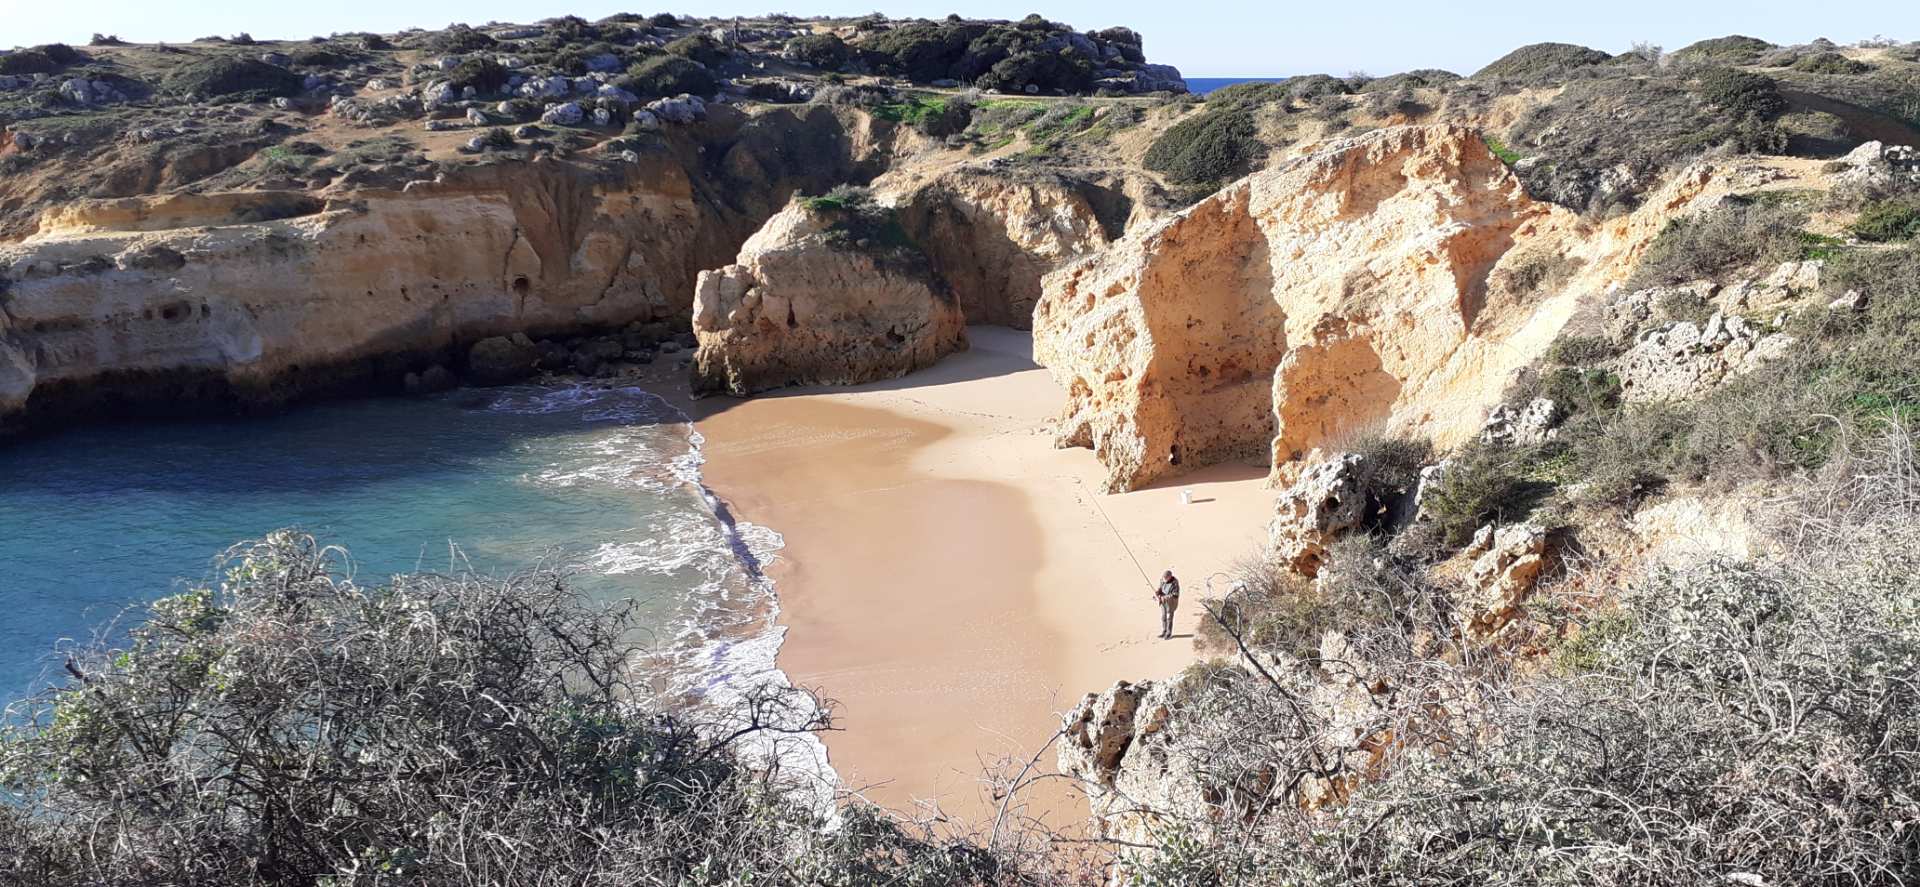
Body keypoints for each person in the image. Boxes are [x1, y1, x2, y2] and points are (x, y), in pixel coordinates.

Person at [1153, 569, 1180, 640]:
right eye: (1164, 578)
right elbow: (1160, 588)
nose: (1164, 579)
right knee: (1163, 617)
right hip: (1163, 602)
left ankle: (1169, 633)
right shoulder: (1162, 580)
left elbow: (1175, 594)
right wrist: (1158, 592)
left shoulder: (1175, 582)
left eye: (1166, 578)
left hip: (1171, 603)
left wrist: (1165, 597)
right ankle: (1164, 631)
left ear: (1170, 577)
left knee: (1169, 618)